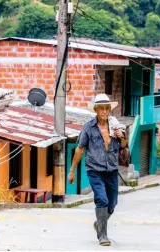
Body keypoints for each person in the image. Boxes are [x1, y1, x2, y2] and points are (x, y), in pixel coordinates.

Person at [68, 94, 127, 246]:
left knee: (112, 204)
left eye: (107, 108)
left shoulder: (115, 125)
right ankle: (103, 236)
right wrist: (72, 170)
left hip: (112, 170)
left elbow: (123, 146)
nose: (105, 111)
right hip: (94, 170)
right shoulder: (88, 127)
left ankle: (99, 223)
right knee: (102, 199)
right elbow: (80, 149)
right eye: (101, 108)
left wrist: (121, 137)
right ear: (96, 110)